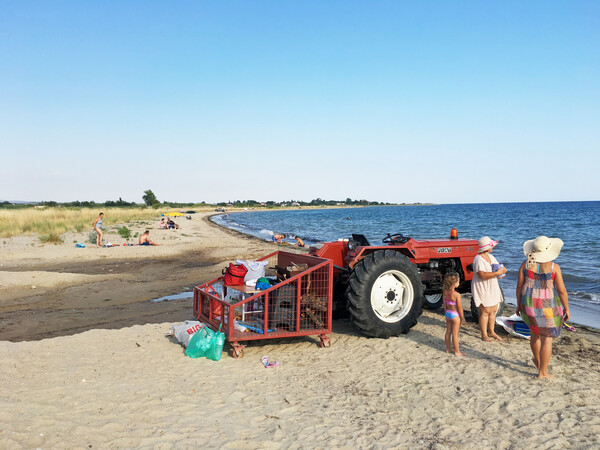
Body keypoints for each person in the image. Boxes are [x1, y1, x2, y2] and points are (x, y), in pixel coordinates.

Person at [516, 236, 569, 379]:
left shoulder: (525, 265)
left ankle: (538, 362)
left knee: (534, 335)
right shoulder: (554, 267)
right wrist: (567, 308)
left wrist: (518, 304)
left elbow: (520, 286)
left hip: (529, 304)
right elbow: (562, 290)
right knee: (547, 339)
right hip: (548, 306)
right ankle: (542, 372)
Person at [471, 236, 508, 342]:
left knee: (493, 310)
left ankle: (491, 331)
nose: (493, 247)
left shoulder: (491, 257)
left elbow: (498, 266)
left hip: (492, 284)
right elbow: (481, 275)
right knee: (485, 311)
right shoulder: (478, 259)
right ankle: (484, 334)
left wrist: (503, 270)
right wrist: (497, 273)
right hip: (482, 285)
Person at [443, 272, 466, 356]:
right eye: (458, 281)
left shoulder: (445, 292)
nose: (459, 283)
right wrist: (462, 318)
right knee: (455, 334)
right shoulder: (456, 295)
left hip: (448, 313)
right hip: (455, 315)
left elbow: (445, 304)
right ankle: (457, 351)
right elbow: (459, 308)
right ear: (454, 283)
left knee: (448, 331)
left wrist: (446, 313)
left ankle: (448, 349)